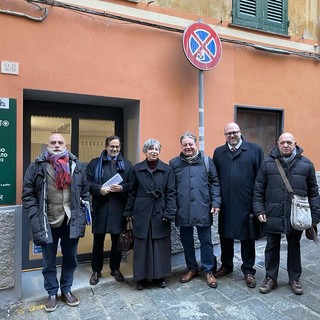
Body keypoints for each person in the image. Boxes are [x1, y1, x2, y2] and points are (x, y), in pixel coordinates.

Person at [22, 133, 90, 312]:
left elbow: (85, 193)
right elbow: (28, 195)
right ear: (47, 145)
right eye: (53, 142)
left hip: (70, 220)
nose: (57, 145)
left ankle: (66, 290)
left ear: (66, 145)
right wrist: (35, 216)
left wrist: (81, 214)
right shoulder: (36, 166)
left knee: (71, 258)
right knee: (48, 260)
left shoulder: (76, 166)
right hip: (47, 221)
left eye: (60, 142)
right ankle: (52, 292)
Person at [253, 132, 320, 295]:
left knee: (294, 247)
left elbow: (313, 192)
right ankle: (271, 278)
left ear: (295, 143)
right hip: (272, 213)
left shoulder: (306, 164)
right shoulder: (267, 163)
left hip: (295, 215)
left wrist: (315, 218)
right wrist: (259, 210)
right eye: (282, 142)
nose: (285, 145)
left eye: (289, 142)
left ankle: (294, 278)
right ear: (278, 144)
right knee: (271, 247)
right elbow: (258, 190)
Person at [212, 122, 264, 288]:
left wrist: (259, 204)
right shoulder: (219, 152)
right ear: (225, 135)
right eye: (228, 133)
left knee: (247, 238)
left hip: (247, 203)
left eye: (234, 132)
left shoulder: (255, 150)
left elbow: (261, 179)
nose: (232, 136)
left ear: (240, 132)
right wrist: (216, 201)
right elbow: (215, 179)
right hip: (226, 204)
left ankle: (248, 270)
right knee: (225, 236)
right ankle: (226, 265)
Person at [169, 132, 221, 288]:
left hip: (203, 207)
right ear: (181, 146)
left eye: (190, 144)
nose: (188, 147)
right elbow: (170, 188)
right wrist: (172, 207)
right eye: (185, 144)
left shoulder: (206, 162)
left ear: (196, 144)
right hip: (183, 208)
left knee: (206, 240)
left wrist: (216, 202)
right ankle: (191, 268)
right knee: (187, 241)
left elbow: (215, 183)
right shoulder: (174, 163)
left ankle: (208, 270)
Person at [123, 139, 176, 290]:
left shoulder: (167, 169)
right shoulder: (136, 169)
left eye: (156, 149)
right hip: (141, 211)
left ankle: (159, 277)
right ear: (145, 151)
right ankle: (141, 278)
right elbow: (132, 192)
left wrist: (170, 211)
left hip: (160, 210)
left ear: (160, 151)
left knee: (160, 245)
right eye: (150, 149)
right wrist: (128, 211)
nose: (154, 151)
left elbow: (171, 192)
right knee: (142, 246)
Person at [86, 135, 132, 285]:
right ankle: (96, 270)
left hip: (119, 208)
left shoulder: (127, 164)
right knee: (98, 241)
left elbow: (132, 186)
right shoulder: (94, 163)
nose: (115, 149)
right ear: (106, 146)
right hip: (100, 208)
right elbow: (86, 183)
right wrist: (99, 189)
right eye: (112, 146)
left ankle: (115, 268)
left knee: (116, 242)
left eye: (117, 147)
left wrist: (122, 188)